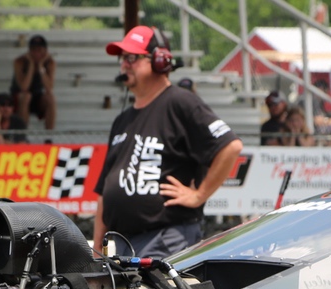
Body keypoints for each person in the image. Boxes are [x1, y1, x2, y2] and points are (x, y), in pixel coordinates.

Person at [93, 26, 243, 259]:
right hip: (121, 242)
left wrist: (198, 195)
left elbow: (230, 147)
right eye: (122, 58)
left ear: (160, 61)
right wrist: (96, 251)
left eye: (132, 58)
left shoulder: (181, 103)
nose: (124, 64)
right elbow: (105, 192)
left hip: (164, 239)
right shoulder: (122, 119)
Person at [10, 34, 55, 131]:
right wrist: (31, 65)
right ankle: (22, 134)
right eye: (33, 50)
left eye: (40, 50)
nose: (36, 53)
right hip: (19, 97)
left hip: (37, 96)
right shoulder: (19, 62)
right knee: (26, 96)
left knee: (50, 98)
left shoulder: (49, 63)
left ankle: (49, 136)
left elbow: (49, 88)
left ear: (45, 51)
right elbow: (24, 87)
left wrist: (41, 67)